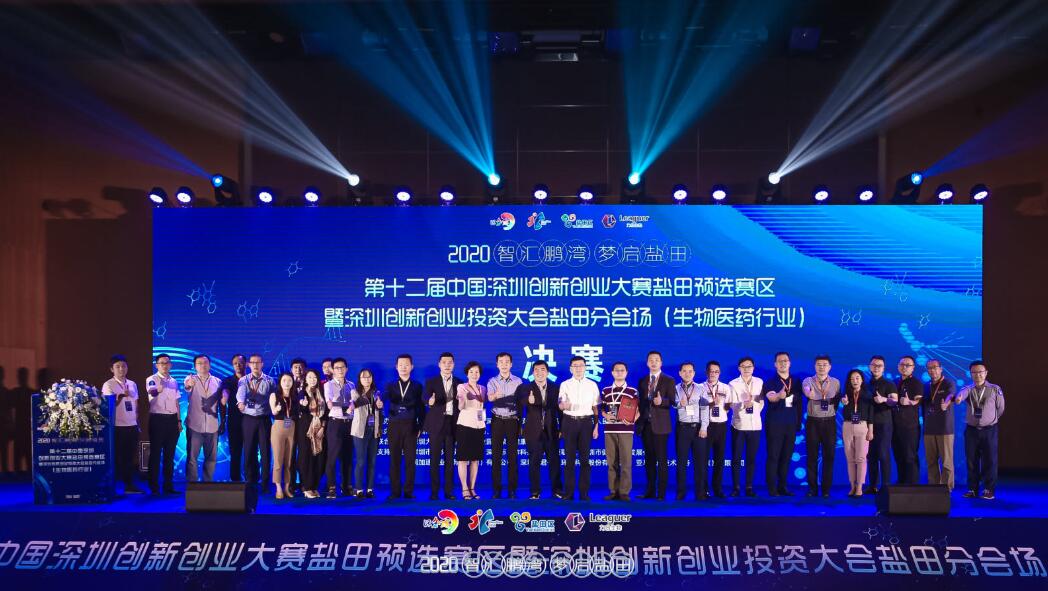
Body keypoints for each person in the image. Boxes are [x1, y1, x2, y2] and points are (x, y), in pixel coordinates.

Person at [956, 360, 1004, 500]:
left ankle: (989, 490)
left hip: (989, 430)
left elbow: (1001, 408)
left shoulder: (995, 389)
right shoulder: (968, 388)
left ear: (986, 373)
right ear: (971, 374)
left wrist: (990, 420)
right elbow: (961, 395)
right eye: (974, 372)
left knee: (990, 460)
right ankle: (972, 489)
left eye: (980, 372)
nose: (978, 375)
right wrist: (958, 398)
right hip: (971, 430)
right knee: (971, 460)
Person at [520, 360, 563, 500]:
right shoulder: (526, 388)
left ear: (548, 372)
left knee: (554, 462)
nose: (539, 372)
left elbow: (560, 410)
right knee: (534, 463)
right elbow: (520, 404)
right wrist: (528, 401)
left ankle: (557, 490)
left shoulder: (556, 388)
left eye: (542, 369)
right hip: (533, 432)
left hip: (551, 431)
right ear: (533, 373)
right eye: (536, 370)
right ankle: (535, 492)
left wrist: (562, 428)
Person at [559, 356, 600, 501]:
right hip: (569, 422)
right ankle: (569, 493)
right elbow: (560, 404)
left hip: (586, 423)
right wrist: (563, 405)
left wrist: (596, 426)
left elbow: (595, 407)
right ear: (570, 368)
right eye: (575, 366)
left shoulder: (592, 385)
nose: (578, 368)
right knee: (569, 459)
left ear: (585, 367)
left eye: (581, 365)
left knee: (585, 460)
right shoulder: (565, 384)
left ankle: (584, 493)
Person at [761, 352, 802, 496]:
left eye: (785, 361)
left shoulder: (796, 381)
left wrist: (798, 423)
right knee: (773, 456)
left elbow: (799, 404)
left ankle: (783, 487)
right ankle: (772, 488)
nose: (783, 363)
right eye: (780, 361)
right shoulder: (770, 382)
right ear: (775, 364)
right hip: (775, 424)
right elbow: (771, 398)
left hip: (791, 424)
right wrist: (779, 395)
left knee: (786, 457)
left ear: (790, 363)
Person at [101, 354, 143, 494]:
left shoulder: (132, 384)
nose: (121, 369)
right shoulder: (108, 385)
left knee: (130, 457)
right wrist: (121, 396)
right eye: (117, 366)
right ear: (111, 369)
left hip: (131, 425)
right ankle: (112, 487)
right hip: (117, 426)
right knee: (117, 457)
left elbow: (136, 404)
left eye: (124, 366)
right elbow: (108, 406)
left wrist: (137, 422)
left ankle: (129, 485)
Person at [385, 354, 423, 500]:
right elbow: (383, 399)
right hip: (394, 425)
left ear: (412, 367)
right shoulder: (390, 385)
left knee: (410, 460)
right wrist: (379, 402)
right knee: (394, 460)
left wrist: (420, 426)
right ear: (396, 367)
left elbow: (421, 408)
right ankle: (395, 492)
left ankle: (408, 491)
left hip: (411, 425)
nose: (403, 367)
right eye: (400, 365)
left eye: (406, 364)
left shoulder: (417, 386)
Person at [801, 355, 840, 497]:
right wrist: (810, 393)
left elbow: (836, 401)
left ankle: (826, 490)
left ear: (830, 367)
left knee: (829, 456)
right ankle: (812, 489)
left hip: (829, 422)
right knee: (812, 456)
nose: (821, 367)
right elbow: (807, 392)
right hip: (813, 422)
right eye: (819, 364)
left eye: (824, 364)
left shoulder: (836, 382)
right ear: (814, 366)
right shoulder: (808, 381)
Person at [423, 352, 461, 500]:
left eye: (450, 362)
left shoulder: (459, 382)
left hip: (452, 424)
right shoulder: (431, 382)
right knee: (434, 460)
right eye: (444, 362)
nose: (447, 365)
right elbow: (425, 398)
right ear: (439, 364)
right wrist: (429, 401)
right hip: (436, 425)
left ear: (454, 365)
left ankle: (449, 492)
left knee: (450, 461)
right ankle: (434, 492)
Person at [485, 352, 523, 499]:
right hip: (497, 420)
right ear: (497, 364)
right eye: (501, 362)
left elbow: (520, 403)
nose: (504, 364)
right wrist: (495, 396)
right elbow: (490, 398)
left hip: (512, 420)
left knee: (512, 456)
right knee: (496, 456)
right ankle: (496, 490)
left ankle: (512, 490)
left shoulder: (518, 381)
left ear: (511, 364)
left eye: (507, 361)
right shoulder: (492, 381)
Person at [638, 351, 675, 500]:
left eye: (657, 360)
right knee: (649, 460)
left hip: (661, 426)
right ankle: (650, 491)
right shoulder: (643, 380)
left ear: (661, 363)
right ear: (647, 363)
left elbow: (673, 401)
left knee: (661, 460)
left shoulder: (669, 380)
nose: (654, 362)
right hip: (646, 425)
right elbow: (640, 403)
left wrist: (662, 402)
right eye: (651, 360)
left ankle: (661, 493)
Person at [183, 354, 225, 483]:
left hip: (212, 426)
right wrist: (189, 385)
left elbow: (222, 403)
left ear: (210, 365)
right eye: (199, 363)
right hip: (194, 425)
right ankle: (192, 486)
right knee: (192, 458)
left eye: (205, 363)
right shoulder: (190, 379)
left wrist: (223, 421)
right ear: (195, 366)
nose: (203, 365)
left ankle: (208, 484)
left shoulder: (218, 382)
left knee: (211, 458)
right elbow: (187, 387)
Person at [237, 354, 275, 491]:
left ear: (262, 364)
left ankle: (265, 483)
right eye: (252, 362)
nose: (255, 365)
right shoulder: (243, 380)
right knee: (249, 450)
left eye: (258, 362)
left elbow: (274, 398)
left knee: (265, 451)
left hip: (264, 419)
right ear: (248, 364)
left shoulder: (270, 380)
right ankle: (250, 480)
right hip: (248, 419)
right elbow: (240, 394)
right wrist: (240, 402)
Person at [728, 357, 764, 497]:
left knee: (751, 458)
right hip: (739, 425)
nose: (747, 369)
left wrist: (754, 410)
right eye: (744, 366)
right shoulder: (733, 384)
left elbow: (761, 401)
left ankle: (749, 487)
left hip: (755, 425)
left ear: (753, 368)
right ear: (739, 368)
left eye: (749, 366)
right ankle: (736, 487)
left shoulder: (759, 382)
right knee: (736, 458)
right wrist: (744, 405)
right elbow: (731, 404)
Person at [601, 361, 637, 501]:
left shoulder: (632, 391)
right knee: (611, 462)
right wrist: (606, 416)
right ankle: (613, 490)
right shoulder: (605, 390)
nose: (619, 372)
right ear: (612, 372)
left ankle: (624, 492)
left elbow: (638, 410)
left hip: (626, 430)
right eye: (617, 370)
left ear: (626, 373)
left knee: (626, 462)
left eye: (622, 370)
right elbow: (602, 409)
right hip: (609, 430)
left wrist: (632, 420)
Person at [146, 354, 181, 494]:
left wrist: (179, 421)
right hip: (157, 419)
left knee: (170, 454)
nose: (165, 365)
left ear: (170, 364)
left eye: (167, 363)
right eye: (161, 363)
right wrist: (158, 390)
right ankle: (153, 486)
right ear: (157, 365)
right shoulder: (152, 379)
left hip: (172, 420)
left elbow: (177, 402)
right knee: (155, 454)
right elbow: (151, 392)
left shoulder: (174, 381)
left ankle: (168, 485)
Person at [675, 361, 709, 500]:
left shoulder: (701, 388)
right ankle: (681, 493)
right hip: (682, 429)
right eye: (684, 371)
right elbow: (673, 404)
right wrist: (680, 404)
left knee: (700, 463)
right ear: (680, 373)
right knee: (681, 463)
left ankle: (700, 493)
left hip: (698, 429)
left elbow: (705, 409)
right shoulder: (675, 388)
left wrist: (704, 427)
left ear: (694, 373)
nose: (687, 373)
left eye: (690, 371)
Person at [922, 359, 957, 491]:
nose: (932, 370)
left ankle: (947, 488)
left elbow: (951, 395)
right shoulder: (926, 385)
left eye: (935, 367)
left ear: (941, 369)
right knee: (931, 461)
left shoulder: (948, 383)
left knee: (946, 461)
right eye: (929, 368)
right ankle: (934, 487)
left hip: (944, 429)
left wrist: (946, 403)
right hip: (928, 428)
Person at [866, 355, 898, 494]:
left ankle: (885, 486)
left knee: (883, 455)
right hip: (868, 424)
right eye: (874, 365)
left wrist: (884, 399)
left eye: (879, 365)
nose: (876, 368)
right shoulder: (866, 385)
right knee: (871, 456)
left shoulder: (889, 384)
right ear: (870, 367)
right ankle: (872, 486)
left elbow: (895, 401)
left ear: (883, 368)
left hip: (884, 423)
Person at [323, 357, 355, 498]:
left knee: (347, 456)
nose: (340, 370)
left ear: (346, 369)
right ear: (333, 370)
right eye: (337, 368)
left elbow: (355, 402)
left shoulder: (351, 385)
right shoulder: (328, 385)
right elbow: (330, 404)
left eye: (342, 367)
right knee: (333, 456)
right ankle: (331, 487)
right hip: (335, 423)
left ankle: (346, 486)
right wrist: (348, 404)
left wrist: (352, 404)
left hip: (349, 423)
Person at [699, 361, 731, 498]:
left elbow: (728, 406)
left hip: (721, 426)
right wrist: (712, 403)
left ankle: (717, 488)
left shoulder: (725, 387)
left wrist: (723, 409)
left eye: (716, 371)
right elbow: (699, 407)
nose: (713, 374)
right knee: (703, 459)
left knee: (719, 459)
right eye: (711, 371)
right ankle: (704, 489)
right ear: (707, 372)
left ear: (719, 373)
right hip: (706, 426)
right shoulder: (700, 387)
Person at [840, 369, 875, 497]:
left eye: (857, 378)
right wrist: (844, 402)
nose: (854, 381)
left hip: (862, 426)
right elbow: (843, 407)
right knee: (850, 459)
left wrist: (870, 431)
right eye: (852, 379)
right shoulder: (846, 394)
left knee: (861, 458)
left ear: (862, 380)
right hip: (847, 426)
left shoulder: (868, 394)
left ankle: (860, 486)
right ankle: (852, 486)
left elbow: (871, 414)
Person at [456, 361, 487, 500]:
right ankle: (464, 488)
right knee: (463, 459)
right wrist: (462, 399)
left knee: (475, 459)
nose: (474, 374)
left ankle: (473, 488)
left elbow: (481, 407)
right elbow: (460, 407)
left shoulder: (483, 388)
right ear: (467, 374)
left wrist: (482, 422)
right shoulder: (462, 387)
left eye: (477, 372)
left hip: (479, 426)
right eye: (471, 372)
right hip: (465, 425)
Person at [351, 368, 382, 499]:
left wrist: (380, 405)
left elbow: (379, 410)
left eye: (369, 377)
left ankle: (369, 489)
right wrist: (371, 400)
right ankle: (358, 489)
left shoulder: (377, 392)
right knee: (360, 461)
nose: (367, 379)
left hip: (373, 430)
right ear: (360, 379)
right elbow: (356, 403)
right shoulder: (355, 392)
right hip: (360, 430)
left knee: (372, 461)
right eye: (364, 377)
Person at [893, 356, 923, 485]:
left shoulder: (916, 383)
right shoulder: (894, 382)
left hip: (910, 426)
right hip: (895, 425)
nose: (904, 367)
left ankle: (912, 484)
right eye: (902, 364)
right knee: (898, 455)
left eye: (908, 365)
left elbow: (918, 400)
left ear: (913, 368)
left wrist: (909, 401)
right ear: (898, 366)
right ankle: (901, 482)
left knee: (910, 456)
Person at [297, 369, 327, 499]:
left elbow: (326, 413)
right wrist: (303, 404)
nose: (312, 380)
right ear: (305, 379)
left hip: (320, 428)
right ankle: (306, 487)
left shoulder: (322, 392)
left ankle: (314, 486)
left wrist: (323, 427)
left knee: (319, 458)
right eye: (309, 377)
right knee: (306, 457)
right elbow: (300, 408)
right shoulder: (301, 393)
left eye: (314, 377)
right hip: (306, 429)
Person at [269, 373, 298, 498]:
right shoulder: (274, 395)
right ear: (280, 382)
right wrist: (277, 409)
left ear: (292, 382)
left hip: (291, 426)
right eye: (284, 380)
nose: (287, 383)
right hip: (279, 427)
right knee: (278, 460)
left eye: (289, 380)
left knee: (289, 460)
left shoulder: (295, 396)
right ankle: (278, 488)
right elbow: (273, 411)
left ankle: (286, 487)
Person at [220, 354, 247, 482]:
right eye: (235, 363)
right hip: (234, 421)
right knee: (235, 452)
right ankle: (235, 480)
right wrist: (224, 397)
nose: (238, 365)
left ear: (245, 364)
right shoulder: (228, 381)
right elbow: (223, 399)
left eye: (240, 363)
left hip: (251, 421)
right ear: (232, 365)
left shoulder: (251, 380)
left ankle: (252, 479)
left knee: (251, 452)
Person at [289, 358, 308, 493]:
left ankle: (303, 482)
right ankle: (290, 483)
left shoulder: (309, 383)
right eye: (295, 367)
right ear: (291, 369)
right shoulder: (286, 383)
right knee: (290, 453)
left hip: (304, 422)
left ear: (305, 369)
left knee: (303, 453)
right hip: (289, 421)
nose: (298, 369)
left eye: (301, 367)